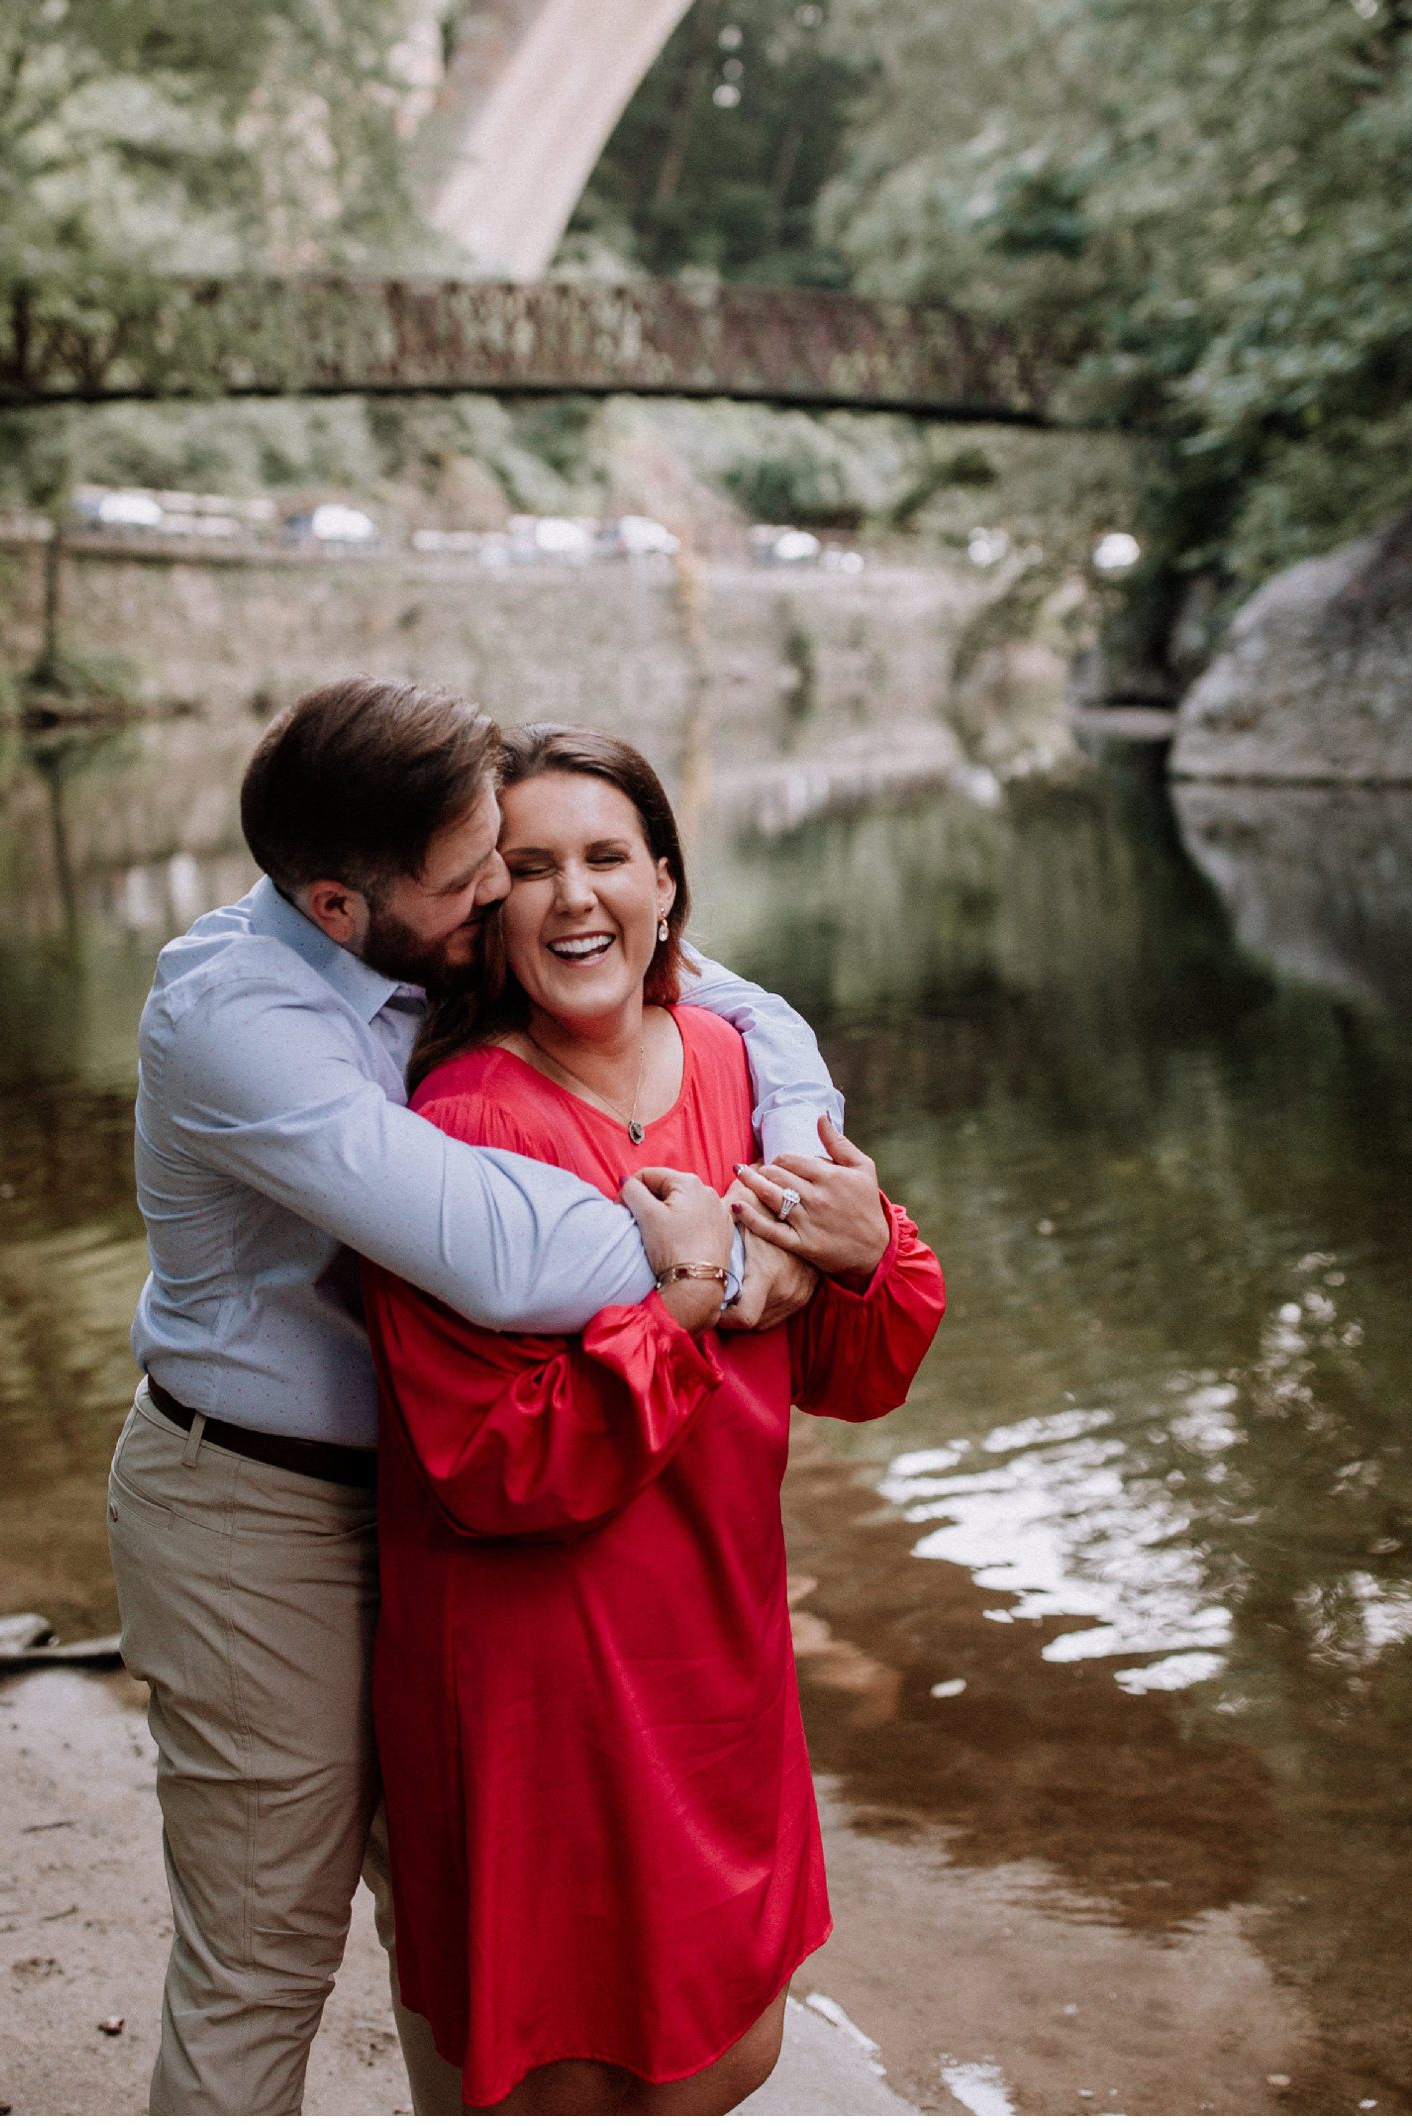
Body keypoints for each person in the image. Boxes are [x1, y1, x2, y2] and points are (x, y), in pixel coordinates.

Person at [108, 677, 849, 2118]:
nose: (501, 906)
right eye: (480, 880)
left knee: (453, 1928)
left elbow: (717, 986)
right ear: (340, 903)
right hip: (262, 1512)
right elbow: (505, 1253)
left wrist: (798, 1130)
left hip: (438, 1519)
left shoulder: (416, 939)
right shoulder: (234, 1022)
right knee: (263, 1957)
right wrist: (726, 1257)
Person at [363, 725, 946, 2116]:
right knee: (566, 2063)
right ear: (481, 910)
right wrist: (681, 1307)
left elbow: (854, 1374)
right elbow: (491, 1463)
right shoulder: (456, 1129)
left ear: (668, 884)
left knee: (730, 2043)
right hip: (540, 1666)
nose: (575, 896)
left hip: (716, 1636)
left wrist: (869, 1248)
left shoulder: (745, 1073)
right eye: (532, 866)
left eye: (607, 857)